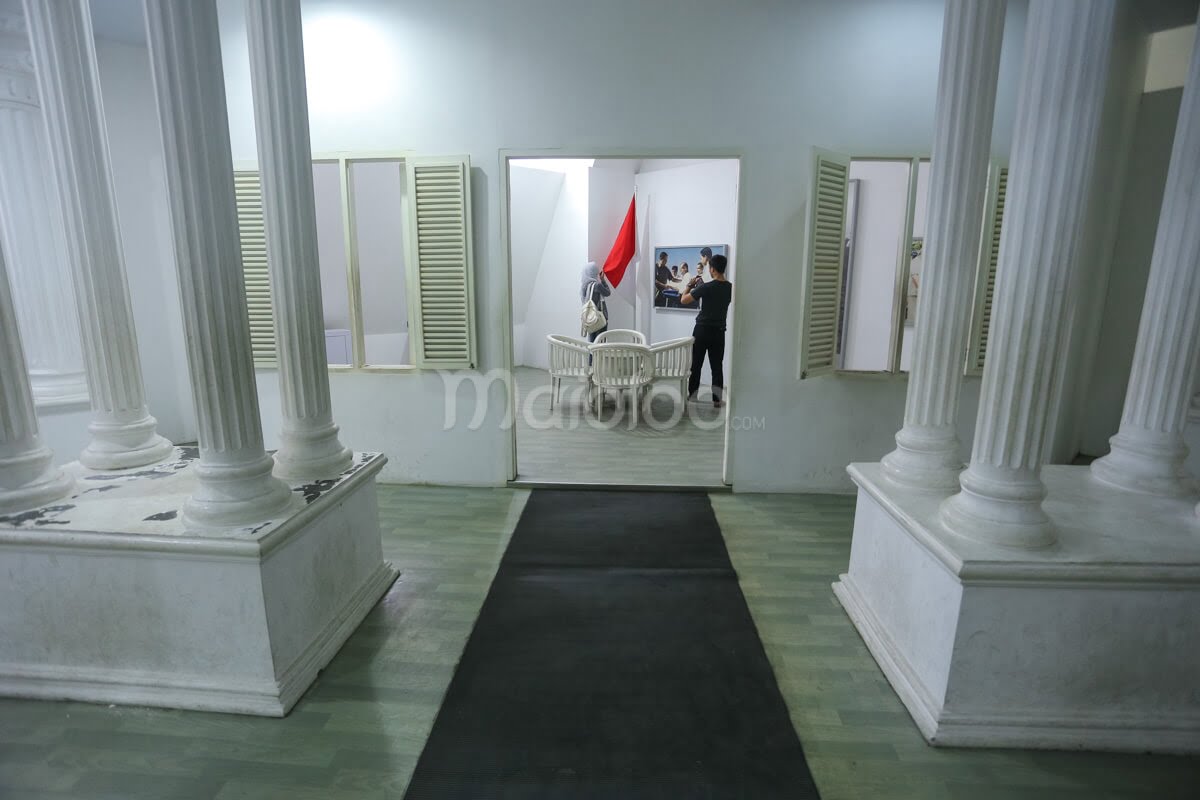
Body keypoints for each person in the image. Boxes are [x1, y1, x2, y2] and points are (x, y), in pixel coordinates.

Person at [680, 253, 732, 407]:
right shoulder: (730, 288)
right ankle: (717, 400)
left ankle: (693, 396)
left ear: (712, 269)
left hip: (702, 330)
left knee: (696, 364)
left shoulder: (706, 287)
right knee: (717, 365)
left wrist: (689, 285)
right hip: (719, 331)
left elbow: (683, 300)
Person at [580, 261, 611, 342]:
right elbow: (608, 293)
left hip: (589, 317)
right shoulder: (597, 285)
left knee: (592, 343)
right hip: (600, 317)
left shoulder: (584, 286)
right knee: (601, 343)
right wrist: (602, 280)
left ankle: (591, 355)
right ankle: (598, 355)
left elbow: (583, 301)